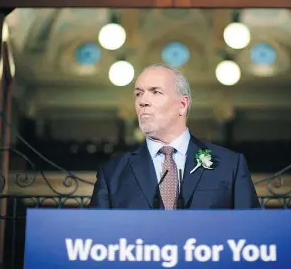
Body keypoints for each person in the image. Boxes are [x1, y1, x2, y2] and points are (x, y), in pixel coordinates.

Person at [89, 64, 260, 209]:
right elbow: (96, 238)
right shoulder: (112, 173)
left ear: (182, 105)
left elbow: (252, 233)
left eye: (155, 92)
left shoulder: (230, 166)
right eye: (138, 94)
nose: (143, 101)